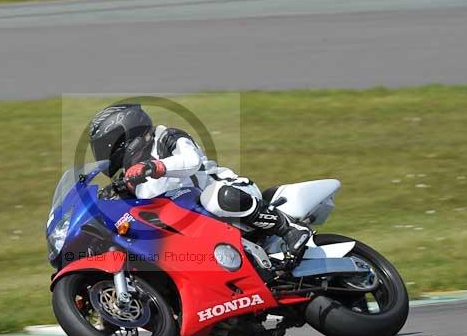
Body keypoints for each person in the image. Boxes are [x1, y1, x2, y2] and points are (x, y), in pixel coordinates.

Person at [88, 103, 310, 257]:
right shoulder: (129, 180)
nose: (104, 153)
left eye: (106, 145)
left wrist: (154, 167)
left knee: (214, 197)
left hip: (229, 197)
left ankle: (289, 228)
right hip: (197, 229)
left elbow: (191, 161)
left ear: (124, 134)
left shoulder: (166, 138)